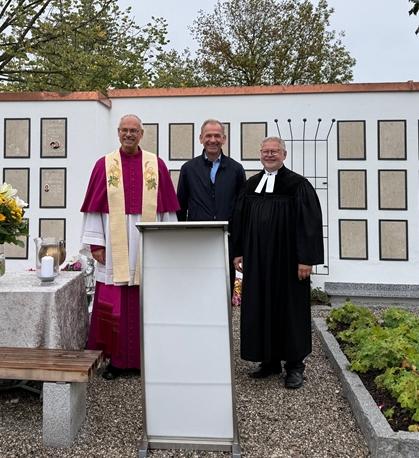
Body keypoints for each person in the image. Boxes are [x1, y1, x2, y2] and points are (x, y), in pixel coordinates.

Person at [80, 114, 180, 380]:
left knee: (148, 300)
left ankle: (148, 358)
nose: (128, 134)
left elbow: (167, 209)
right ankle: (116, 360)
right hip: (115, 247)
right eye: (124, 130)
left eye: (133, 130)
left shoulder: (156, 164)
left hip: (147, 242)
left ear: (141, 134)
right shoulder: (104, 165)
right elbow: (94, 209)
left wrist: (166, 243)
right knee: (114, 302)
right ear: (118, 132)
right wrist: (97, 244)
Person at [232, 136, 324, 389]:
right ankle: (269, 361)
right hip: (257, 261)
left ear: (284, 155)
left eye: (274, 151)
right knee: (260, 306)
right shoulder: (251, 185)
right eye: (265, 151)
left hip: (288, 262)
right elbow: (239, 220)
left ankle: (295, 365)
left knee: (289, 310)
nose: (269, 155)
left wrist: (306, 260)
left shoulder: (298, 185)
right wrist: (238, 252)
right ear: (260, 154)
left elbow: (309, 225)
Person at [176, 119, 246, 292]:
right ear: (201, 138)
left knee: (225, 288)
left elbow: (242, 209)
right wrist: (182, 239)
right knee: (197, 286)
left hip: (227, 240)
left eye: (217, 136)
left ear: (224, 139)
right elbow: (181, 206)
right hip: (198, 239)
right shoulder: (188, 169)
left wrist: (239, 247)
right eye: (208, 136)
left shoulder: (236, 169)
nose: (212, 140)